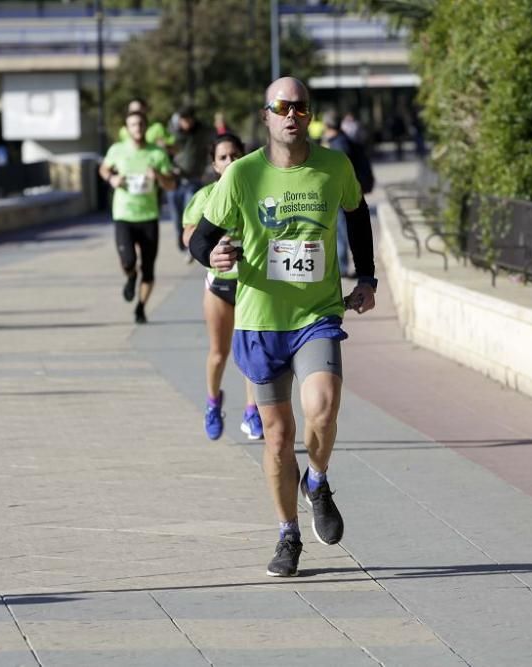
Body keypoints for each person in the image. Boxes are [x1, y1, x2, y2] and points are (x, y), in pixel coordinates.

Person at [188, 77, 378, 577]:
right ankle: (287, 535)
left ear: (308, 115)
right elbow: (201, 239)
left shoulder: (334, 165)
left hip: (316, 315)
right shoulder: (242, 176)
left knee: (324, 406)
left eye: (300, 107)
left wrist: (369, 277)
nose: (292, 115)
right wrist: (212, 253)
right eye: (281, 106)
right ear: (267, 115)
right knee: (276, 438)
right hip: (259, 321)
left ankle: (316, 479)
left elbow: (357, 216)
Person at [182, 134, 264, 442]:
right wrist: (211, 248)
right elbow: (189, 235)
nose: (230, 162)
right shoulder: (205, 196)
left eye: (235, 156)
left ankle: (252, 411)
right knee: (220, 352)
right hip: (218, 286)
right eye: (223, 157)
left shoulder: (255, 192)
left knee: (252, 351)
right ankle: (213, 403)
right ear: (214, 165)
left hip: (251, 284)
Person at [98, 109, 177, 324]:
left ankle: (141, 307)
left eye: (141, 124)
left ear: (146, 127)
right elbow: (103, 169)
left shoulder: (157, 154)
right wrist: (112, 179)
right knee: (128, 260)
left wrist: (158, 175)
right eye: (133, 124)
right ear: (127, 128)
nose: (138, 128)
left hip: (149, 215)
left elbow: (171, 185)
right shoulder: (117, 150)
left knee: (149, 267)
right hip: (124, 214)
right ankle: (131, 276)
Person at [321, 110, 375, 277]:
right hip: (348, 191)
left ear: (327, 126)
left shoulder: (338, 145)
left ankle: (342, 267)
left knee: (341, 230)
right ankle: (343, 265)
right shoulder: (343, 140)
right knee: (342, 228)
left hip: (342, 192)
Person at [169, 106, 212, 252]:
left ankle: (189, 244)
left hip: (194, 179)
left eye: (187, 119)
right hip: (175, 181)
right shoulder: (173, 134)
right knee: (176, 215)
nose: (185, 123)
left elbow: (210, 145)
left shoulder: (201, 133)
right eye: (182, 120)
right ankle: (180, 238)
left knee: (190, 213)